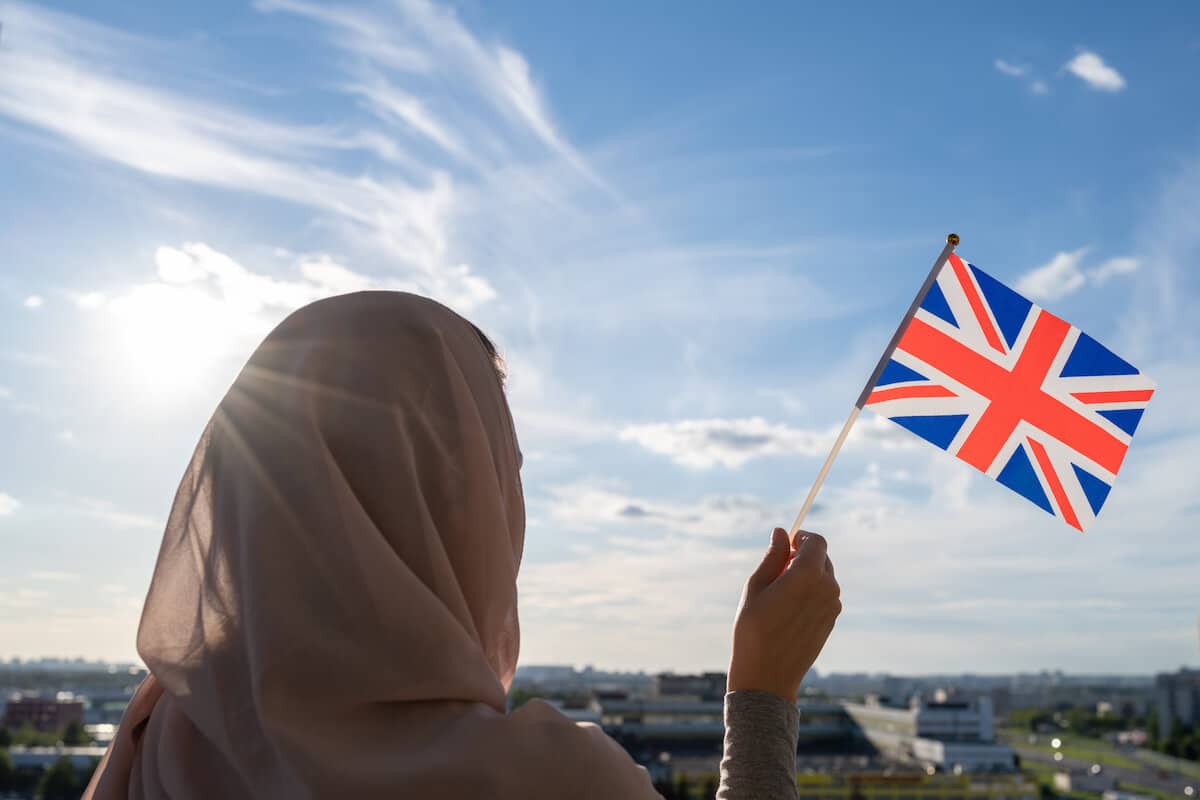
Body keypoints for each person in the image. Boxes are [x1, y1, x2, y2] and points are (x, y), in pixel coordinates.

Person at [83, 292, 840, 799]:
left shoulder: (162, 746)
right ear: (455, 503)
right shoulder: (545, 784)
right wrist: (763, 696)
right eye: (494, 466)